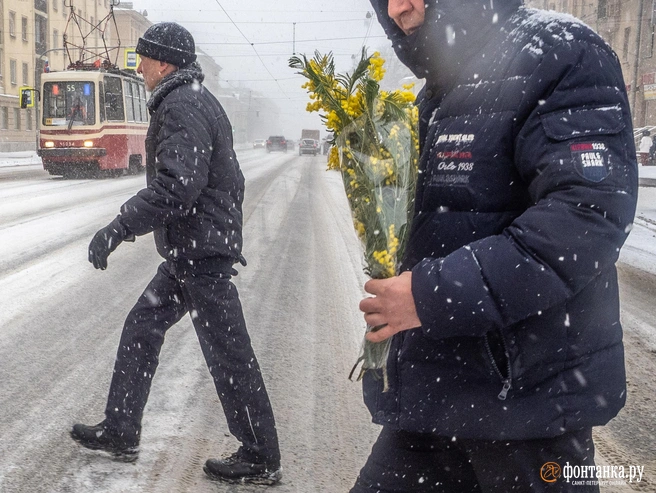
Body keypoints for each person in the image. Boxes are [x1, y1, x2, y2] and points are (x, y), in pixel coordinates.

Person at [351, 1, 638, 492]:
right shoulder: (439, 91)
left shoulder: (559, 51)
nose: (400, 7)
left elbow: (586, 215)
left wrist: (429, 294)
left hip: (528, 413)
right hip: (433, 400)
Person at [70, 22, 282, 485]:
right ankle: (121, 431)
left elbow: (178, 186)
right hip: (194, 250)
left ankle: (260, 456)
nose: (140, 65)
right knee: (142, 326)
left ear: (163, 62)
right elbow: (225, 179)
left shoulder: (182, 104)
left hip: (200, 255)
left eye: (145, 57)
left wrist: (118, 227)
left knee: (228, 354)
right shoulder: (190, 98)